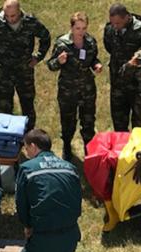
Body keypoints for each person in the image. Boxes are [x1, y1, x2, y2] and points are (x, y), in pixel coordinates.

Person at [0, 0, 50, 132]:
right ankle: (7, 137)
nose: (10, 19)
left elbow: (45, 37)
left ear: (19, 12)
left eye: (13, 16)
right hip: (3, 71)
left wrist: (38, 57)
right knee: (4, 107)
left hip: (24, 71)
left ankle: (29, 136)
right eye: (7, 15)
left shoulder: (30, 22)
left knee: (27, 105)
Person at [47, 12, 103, 161]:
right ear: (71, 27)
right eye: (78, 28)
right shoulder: (62, 44)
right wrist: (59, 61)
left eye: (84, 28)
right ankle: (66, 146)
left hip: (87, 89)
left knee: (88, 121)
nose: (81, 32)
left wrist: (96, 65)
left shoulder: (90, 42)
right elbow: (50, 65)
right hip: (68, 90)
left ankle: (88, 148)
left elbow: (93, 58)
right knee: (68, 120)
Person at [103, 3, 141, 132]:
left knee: (139, 127)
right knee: (119, 125)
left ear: (127, 17)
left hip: (137, 85)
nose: (115, 26)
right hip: (117, 83)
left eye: (118, 23)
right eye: (113, 23)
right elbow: (109, 47)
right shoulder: (110, 29)